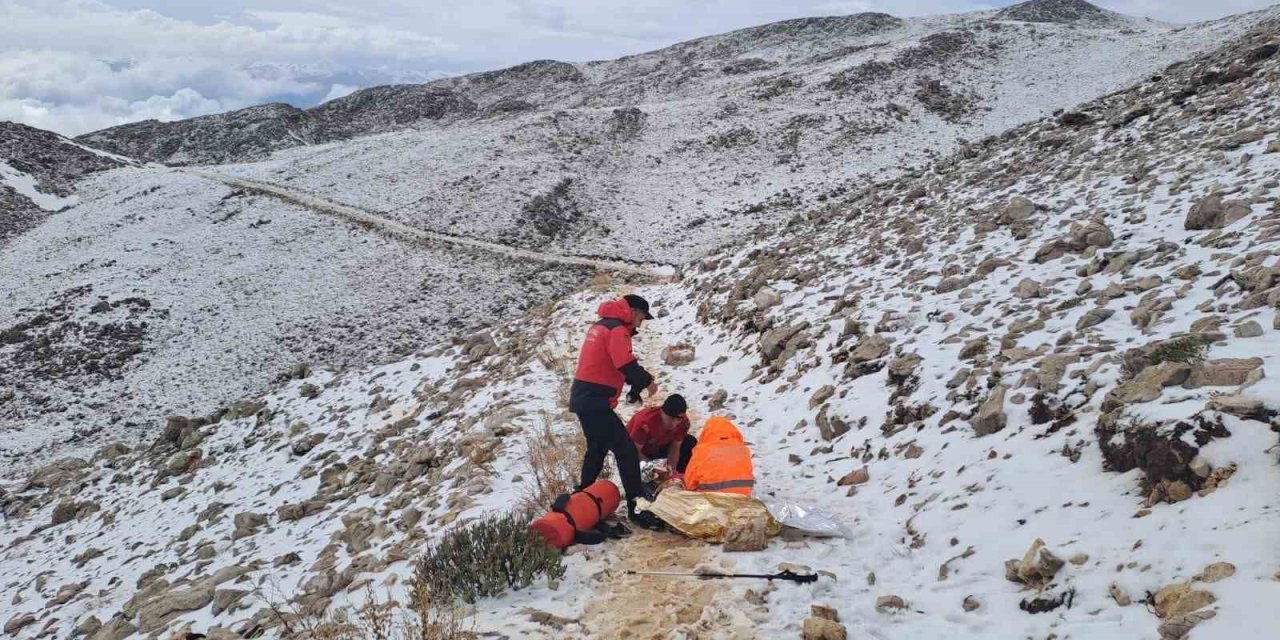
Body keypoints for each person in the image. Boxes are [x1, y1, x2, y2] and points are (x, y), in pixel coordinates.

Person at [569, 294, 663, 530]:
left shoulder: (602, 325)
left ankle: (581, 497)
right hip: (594, 401)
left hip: (584, 397)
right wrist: (648, 382)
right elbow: (624, 363)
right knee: (626, 452)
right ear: (631, 312)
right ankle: (636, 507)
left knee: (597, 449)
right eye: (641, 317)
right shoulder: (618, 329)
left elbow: (612, 364)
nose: (640, 324)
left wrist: (634, 389)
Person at [626, 394, 696, 479]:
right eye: (670, 418)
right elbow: (634, 452)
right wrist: (654, 467)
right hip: (640, 452)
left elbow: (675, 447)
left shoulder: (683, 423)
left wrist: (671, 471)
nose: (674, 423)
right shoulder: (645, 423)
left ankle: (679, 477)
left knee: (690, 442)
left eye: (678, 419)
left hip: (660, 447)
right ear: (662, 412)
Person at [682, 416, 755, 496]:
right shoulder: (744, 451)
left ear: (706, 433)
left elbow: (688, 484)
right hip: (742, 499)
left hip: (710, 501)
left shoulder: (701, 452)